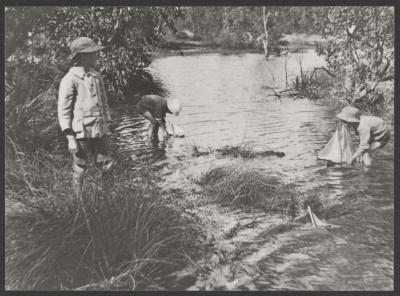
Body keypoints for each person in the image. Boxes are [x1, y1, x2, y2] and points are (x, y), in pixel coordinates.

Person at [58, 37, 115, 198]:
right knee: (80, 166)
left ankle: (108, 198)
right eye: (93, 53)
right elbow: (64, 110)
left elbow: (103, 102)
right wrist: (70, 137)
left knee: (106, 163)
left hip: (99, 129)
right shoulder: (70, 79)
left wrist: (107, 123)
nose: (97, 56)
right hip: (80, 132)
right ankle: (78, 203)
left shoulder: (96, 76)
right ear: (82, 57)